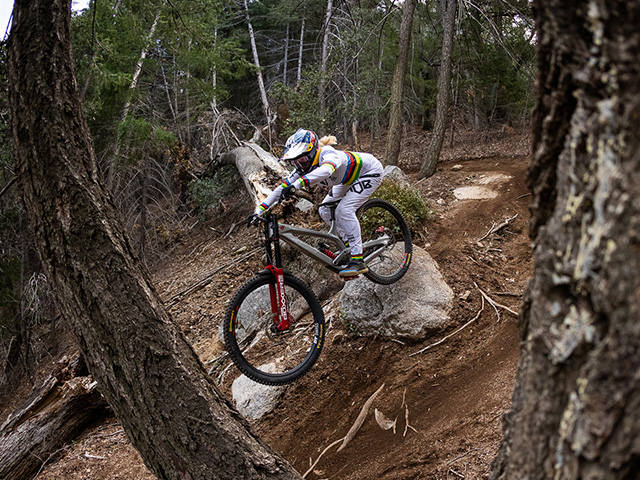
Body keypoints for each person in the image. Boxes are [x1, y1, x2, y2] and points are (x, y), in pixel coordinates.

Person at [249, 128, 384, 277]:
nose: (300, 165)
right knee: (324, 210)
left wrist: (298, 184)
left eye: (302, 160)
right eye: (295, 162)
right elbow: (280, 189)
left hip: (369, 172)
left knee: (344, 210)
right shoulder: (301, 169)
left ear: (313, 151)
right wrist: (258, 211)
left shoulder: (327, 153)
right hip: (347, 179)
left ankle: (358, 259)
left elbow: (326, 171)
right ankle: (350, 247)